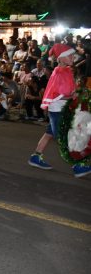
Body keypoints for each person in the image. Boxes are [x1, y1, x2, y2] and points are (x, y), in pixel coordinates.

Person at [28, 44, 91, 178]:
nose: (72, 57)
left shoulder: (66, 70)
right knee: (64, 139)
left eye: (72, 55)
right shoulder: (58, 72)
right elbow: (58, 93)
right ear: (61, 58)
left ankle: (35, 156)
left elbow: (66, 90)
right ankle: (77, 165)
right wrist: (73, 95)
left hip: (60, 108)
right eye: (69, 55)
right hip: (57, 109)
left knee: (49, 133)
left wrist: (75, 92)